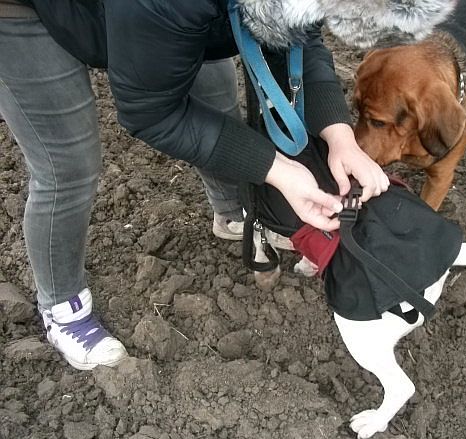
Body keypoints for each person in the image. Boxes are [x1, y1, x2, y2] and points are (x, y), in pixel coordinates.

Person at [0, 0, 392, 371]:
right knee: (68, 165)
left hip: (155, 14)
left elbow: (300, 39)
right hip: (30, 13)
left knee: (217, 101)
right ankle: (61, 306)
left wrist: (340, 135)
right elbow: (152, 112)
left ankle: (231, 213)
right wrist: (278, 170)